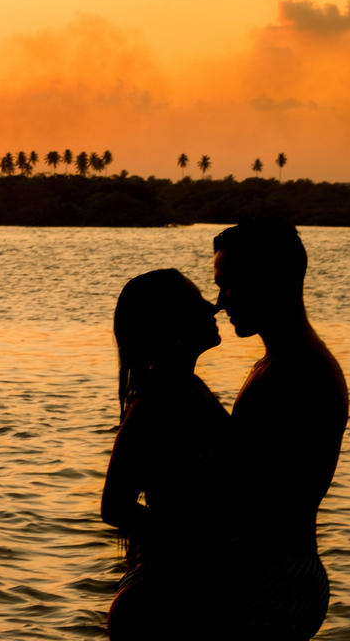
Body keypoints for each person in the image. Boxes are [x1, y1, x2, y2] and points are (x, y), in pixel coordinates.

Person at [213, 219, 349, 640]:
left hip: (272, 576)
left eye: (229, 284)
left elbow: (253, 499)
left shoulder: (294, 370)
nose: (220, 302)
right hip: (281, 571)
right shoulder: (286, 362)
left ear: (269, 280)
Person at [101, 269, 230, 640]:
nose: (213, 306)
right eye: (196, 302)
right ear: (169, 324)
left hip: (183, 592)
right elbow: (114, 507)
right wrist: (192, 539)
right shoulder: (156, 402)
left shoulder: (189, 389)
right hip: (154, 602)